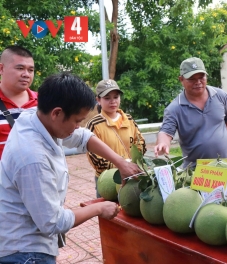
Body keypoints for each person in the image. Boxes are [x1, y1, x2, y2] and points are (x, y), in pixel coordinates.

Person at [0, 73, 141, 263]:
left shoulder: (36, 116)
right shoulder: (33, 158)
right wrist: (99, 208)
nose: (77, 127)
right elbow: (53, 222)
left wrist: (121, 163)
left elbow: (83, 137)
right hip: (25, 253)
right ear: (57, 113)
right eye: (76, 121)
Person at [154, 57, 227, 168]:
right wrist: (162, 143)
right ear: (181, 79)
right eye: (192, 79)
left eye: (201, 77)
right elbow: (165, 132)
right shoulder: (174, 108)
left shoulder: (221, 96)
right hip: (196, 171)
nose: (198, 82)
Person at [86, 79, 146, 198]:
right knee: (107, 213)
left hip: (131, 176)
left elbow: (141, 144)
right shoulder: (94, 124)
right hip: (107, 180)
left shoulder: (129, 119)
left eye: (116, 97)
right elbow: (95, 158)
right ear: (98, 100)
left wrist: (132, 164)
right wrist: (121, 165)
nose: (113, 101)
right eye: (107, 98)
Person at [0, 45, 38, 159]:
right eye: (20, 68)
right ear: (1, 69)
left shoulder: (44, 102)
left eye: (30, 70)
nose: (26, 74)